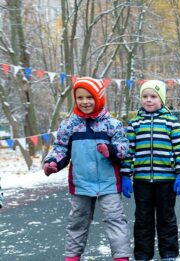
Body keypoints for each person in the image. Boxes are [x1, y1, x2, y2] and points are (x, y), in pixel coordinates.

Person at [42, 77, 131, 261]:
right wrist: (52, 163)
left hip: (108, 184)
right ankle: (72, 257)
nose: (84, 102)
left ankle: (121, 257)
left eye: (89, 97)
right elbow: (60, 148)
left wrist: (111, 150)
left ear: (98, 97)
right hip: (80, 183)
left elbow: (123, 148)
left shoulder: (112, 124)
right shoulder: (69, 125)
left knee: (115, 220)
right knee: (77, 221)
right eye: (80, 98)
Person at [120, 80, 180, 261]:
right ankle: (142, 255)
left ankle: (169, 254)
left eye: (153, 96)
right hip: (142, 181)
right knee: (143, 220)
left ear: (162, 99)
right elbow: (128, 152)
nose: (148, 100)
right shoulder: (135, 124)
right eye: (145, 96)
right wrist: (126, 175)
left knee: (167, 219)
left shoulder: (171, 122)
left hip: (166, 180)